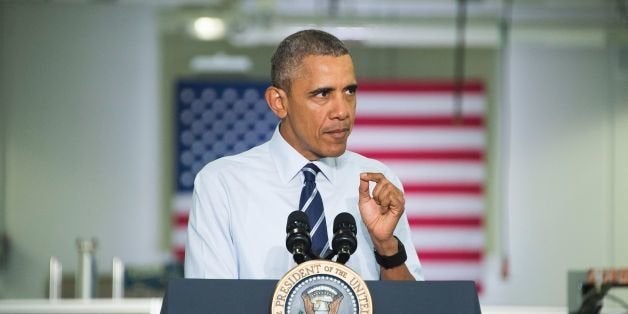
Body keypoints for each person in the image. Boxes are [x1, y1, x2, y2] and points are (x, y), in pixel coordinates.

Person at [185, 29, 422, 281]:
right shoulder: (223, 184)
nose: (342, 111)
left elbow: (412, 307)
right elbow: (208, 302)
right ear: (278, 102)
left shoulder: (378, 183)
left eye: (349, 91)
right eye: (323, 94)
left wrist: (386, 247)